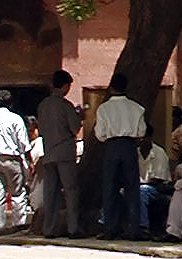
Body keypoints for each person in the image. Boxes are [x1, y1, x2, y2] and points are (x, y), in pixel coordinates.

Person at [93, 72, 146, 240]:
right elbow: (141, 131)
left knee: (110, 187)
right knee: (132, 187)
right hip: (129, 146)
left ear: (111, 87)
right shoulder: (137, 108)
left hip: (111, 146)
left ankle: (110, 228)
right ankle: (133, 228)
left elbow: (99, 134)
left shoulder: (103, 108)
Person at [37, 69, 82, 239]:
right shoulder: (66, 106)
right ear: (64, 86)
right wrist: (80, 116)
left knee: (50, 193)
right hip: (64, 153)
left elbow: (41, 129)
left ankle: (49, 228)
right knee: (70, 191)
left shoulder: (43, 106)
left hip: (48, 152)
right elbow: (75, 128)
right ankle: (73, 227)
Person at [0, 88, 32, 236]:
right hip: (12, 159)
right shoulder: (16, 119)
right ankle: (19, 227)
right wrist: (29, 161)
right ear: (11, 104)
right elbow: (23, 144)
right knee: (17, 194)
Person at [138, 122, 172, 236]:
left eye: (143, 137)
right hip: (138, 186)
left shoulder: (159, 153)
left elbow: (158, 181)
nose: (140, 140)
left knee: (141, 192)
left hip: (158, 190)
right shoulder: (135, 153)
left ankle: (143, 227)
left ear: (149, 137)